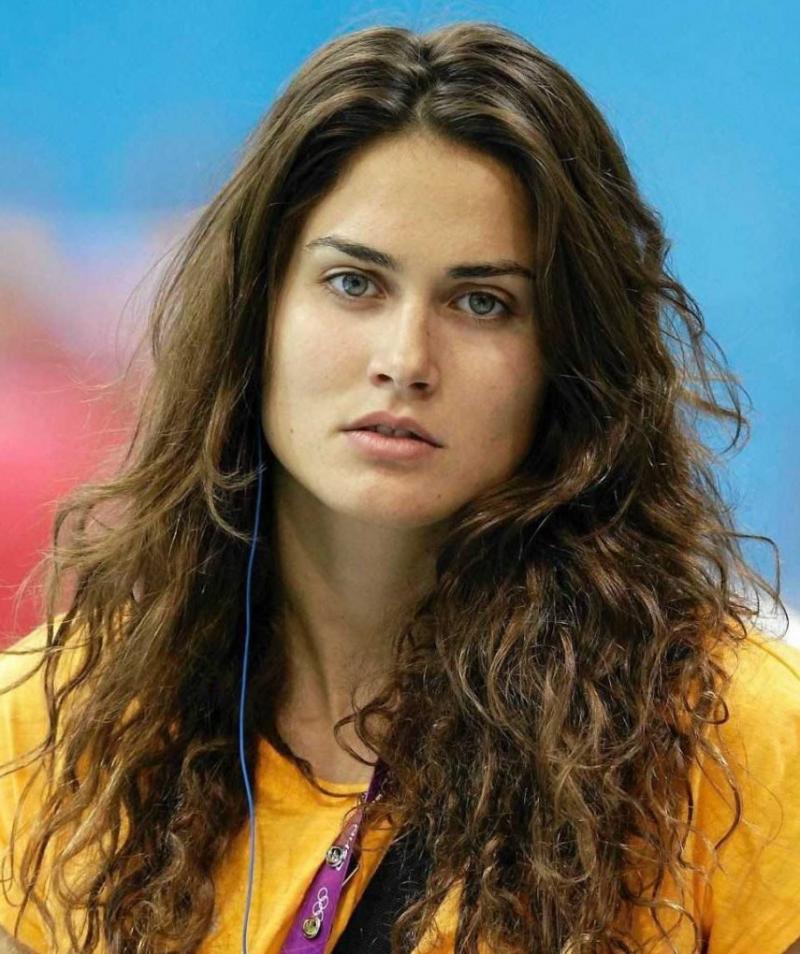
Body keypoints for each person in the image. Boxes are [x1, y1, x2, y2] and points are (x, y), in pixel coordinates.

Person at [1, 19, 799, 954]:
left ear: (567, 359)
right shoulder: (54, 730)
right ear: (258, 310)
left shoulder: (727, 742)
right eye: (354, 283)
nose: (405, 359)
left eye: (483, 303)